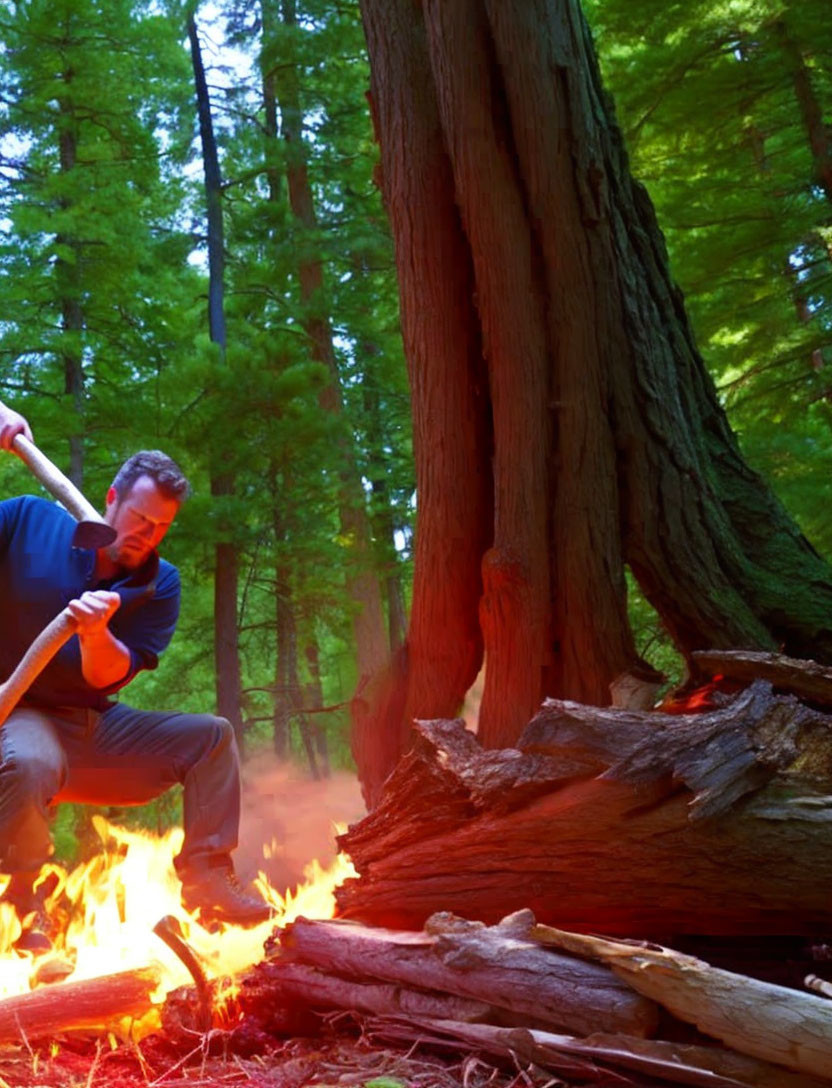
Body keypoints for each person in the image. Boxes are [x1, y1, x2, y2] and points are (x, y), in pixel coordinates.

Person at [0, 400, 271, 943]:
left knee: (211, 739)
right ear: (111, 499)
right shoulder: (27, 519)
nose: (146, 534)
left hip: (95, 729)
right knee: (30, 760)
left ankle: (208, 880)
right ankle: (23, 910)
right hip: (17, 712)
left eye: (161, 527)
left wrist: (97, 632)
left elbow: (107, 679)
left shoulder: (159, 583)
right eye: (139, 518)